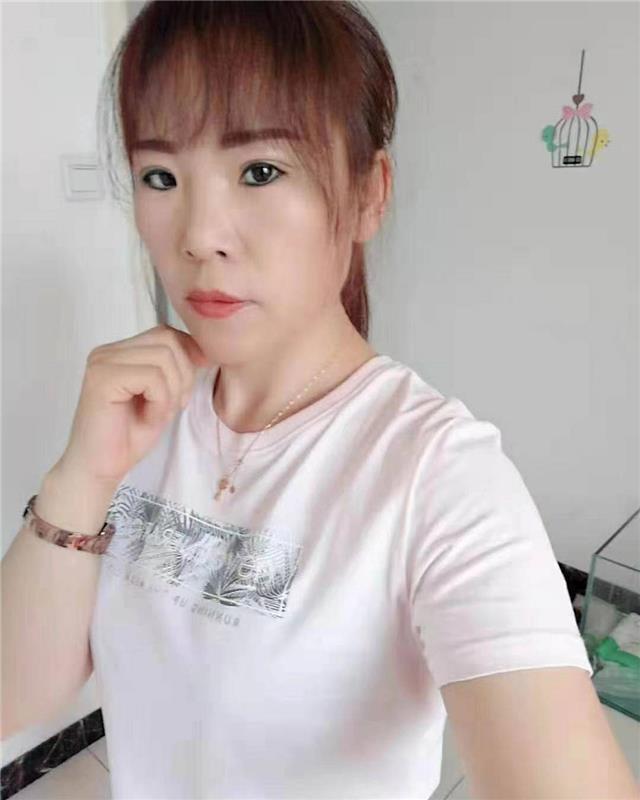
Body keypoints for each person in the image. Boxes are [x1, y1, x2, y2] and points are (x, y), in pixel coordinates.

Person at [4, 2, 638, 799]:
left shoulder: (437, 476)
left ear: (369, 193)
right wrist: (81, 476)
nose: (199, 235)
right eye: (160, 176)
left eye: (260, 171)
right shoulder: (138, 417)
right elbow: (13, 698)